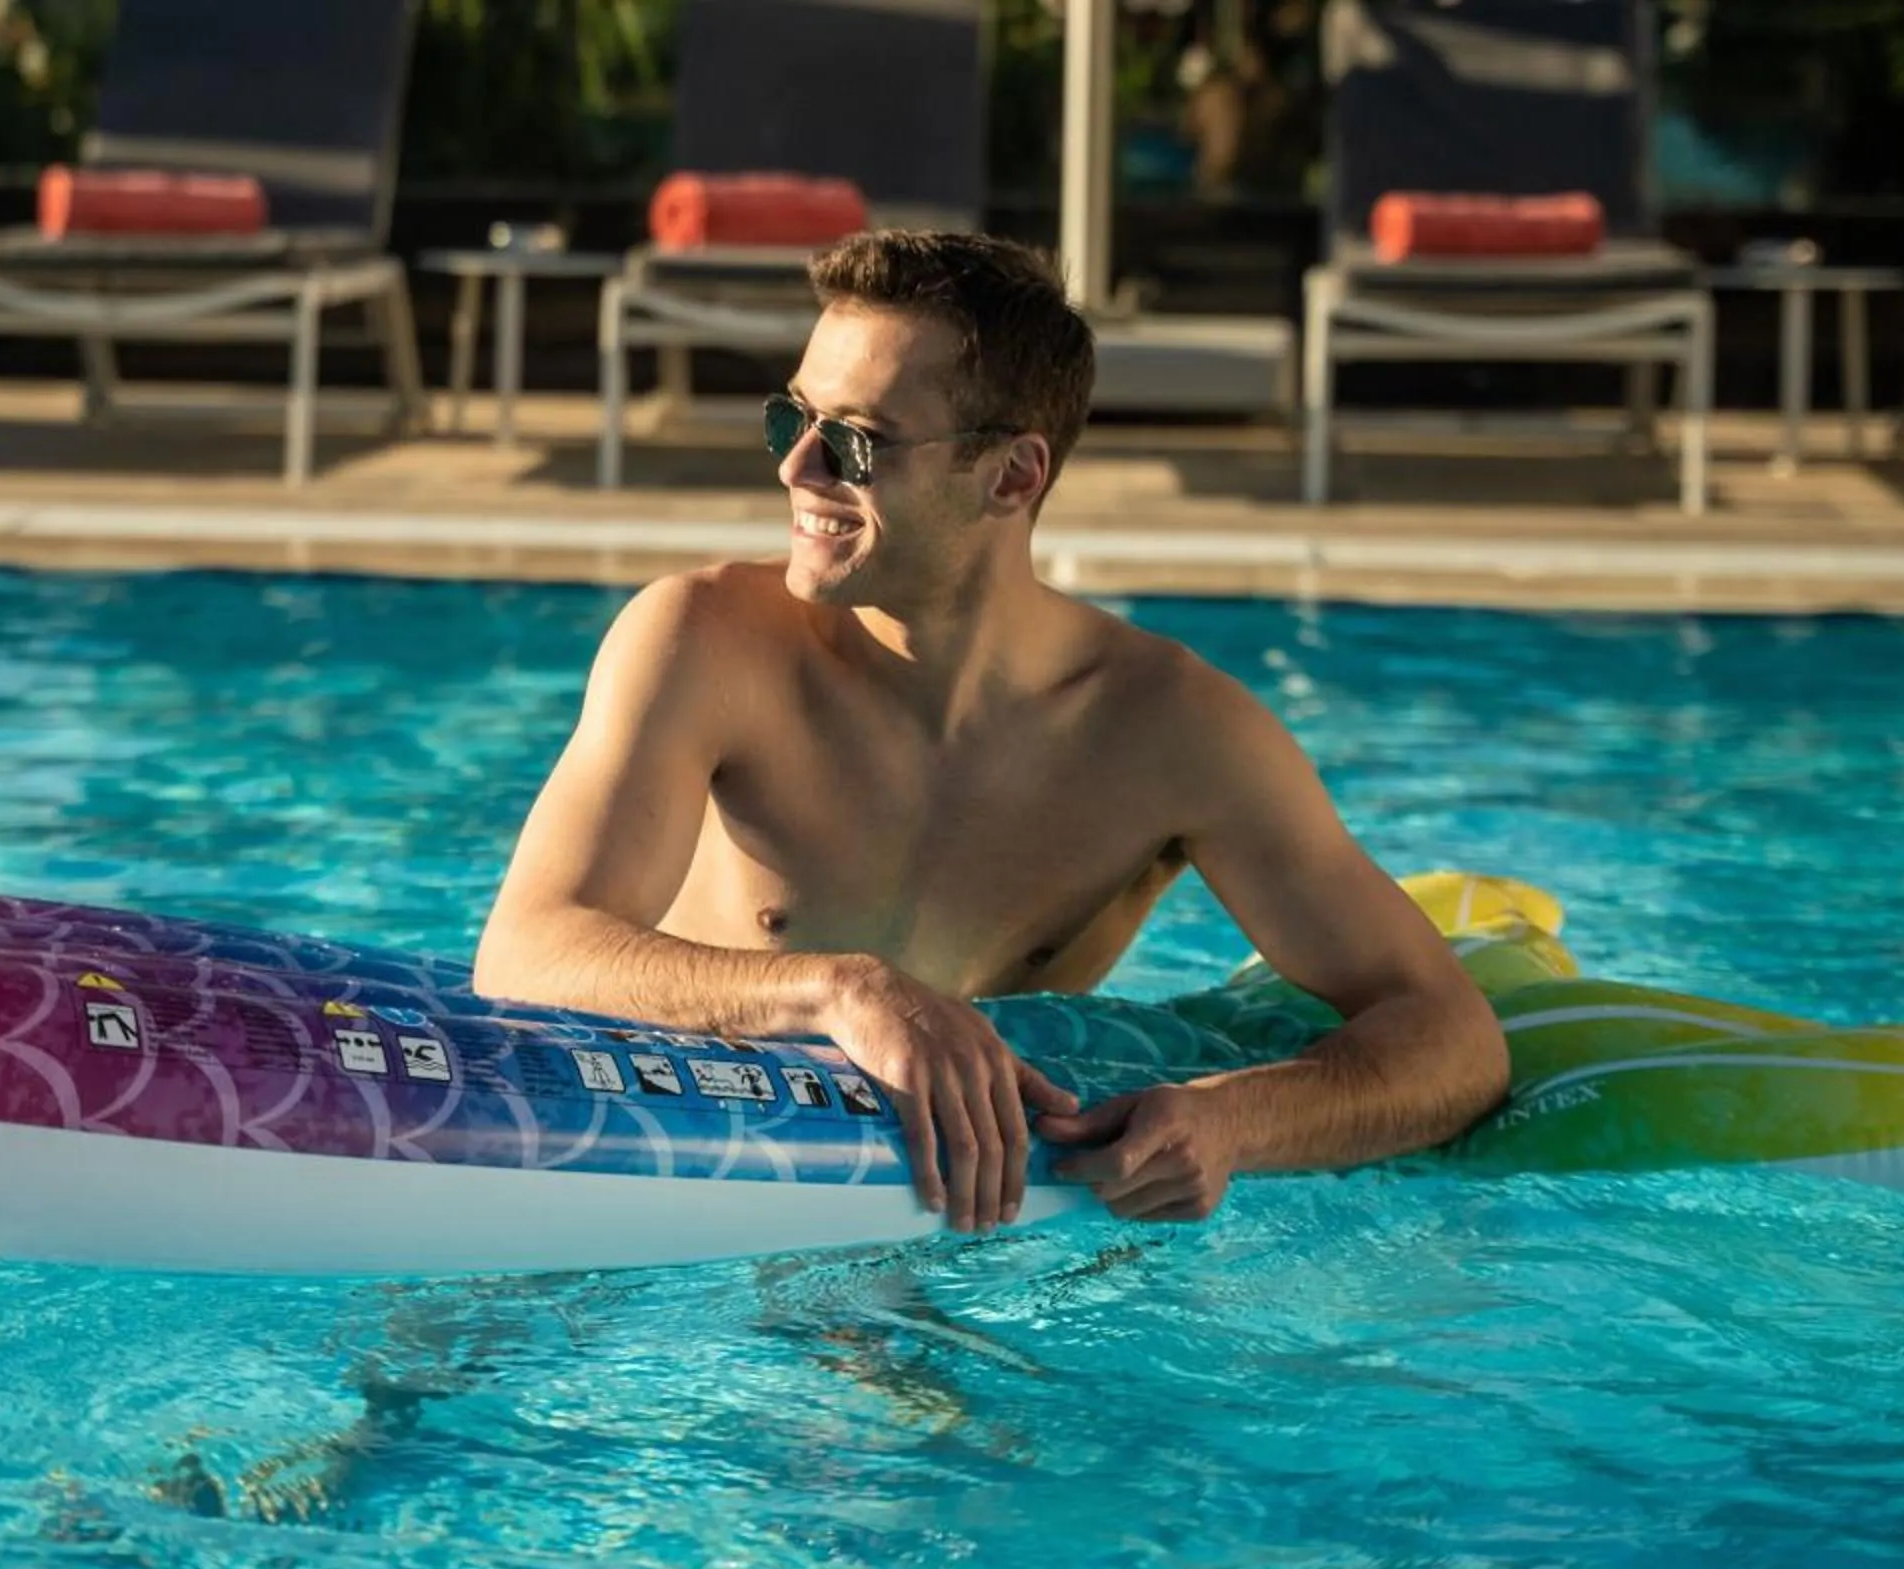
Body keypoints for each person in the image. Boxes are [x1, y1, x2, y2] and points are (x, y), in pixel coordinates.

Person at [472, 230, 1510, 1234]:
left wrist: (1230, 1118)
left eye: (853, 442)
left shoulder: (1173, 733)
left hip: (970, 1224)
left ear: (1012, 475)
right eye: (790, 418)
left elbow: (1452, 1040)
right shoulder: (703, 642)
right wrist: (837, 990)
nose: (796, 469)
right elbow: (528, 949)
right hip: (686, 1173)